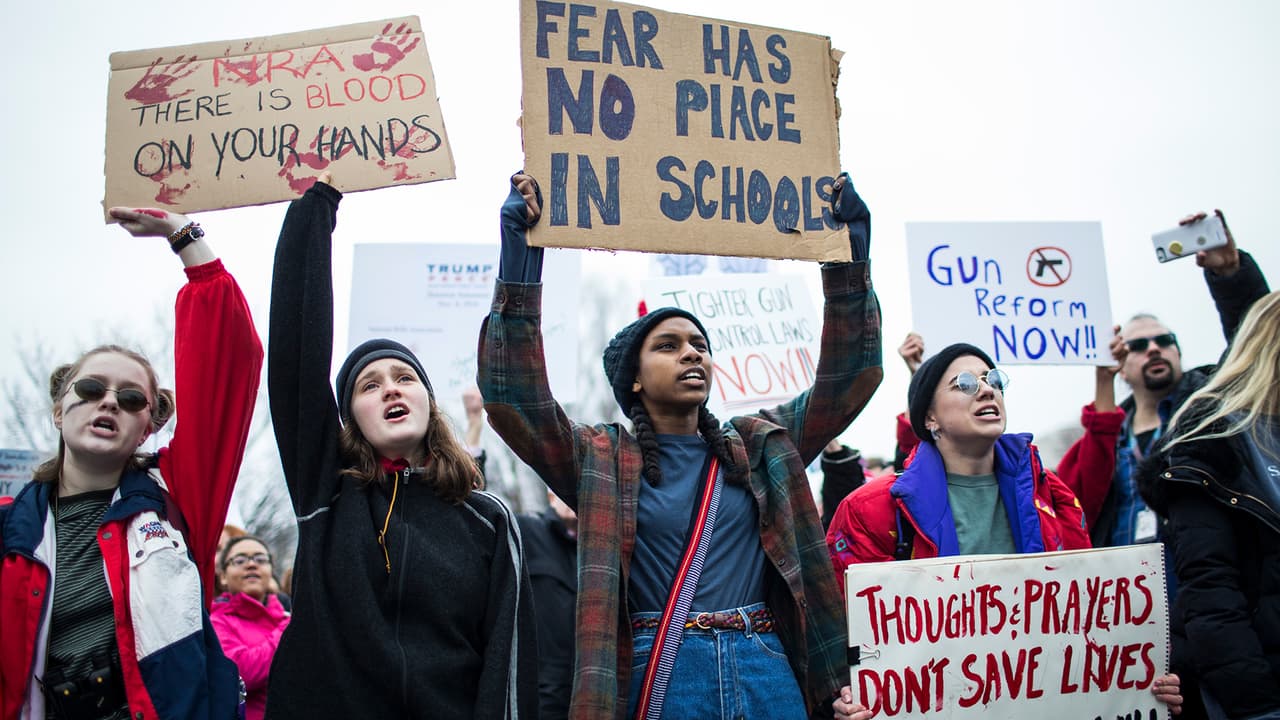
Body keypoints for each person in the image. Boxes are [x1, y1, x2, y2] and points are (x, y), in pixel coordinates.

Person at [479, 171, 883, 720]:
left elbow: (848, 377)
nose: (692, 354)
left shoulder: (760, 446)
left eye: (699, 345)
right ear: (635, 380)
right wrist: (521, 260)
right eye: (668, 346)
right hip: (661, 672)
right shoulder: (599, 461)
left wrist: (846, 258)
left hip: (763, 663)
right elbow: (514, 400)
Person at [264, 172, 537, 720]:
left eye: (404, 377)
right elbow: (296, 349)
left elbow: (508, 663)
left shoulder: (487, 519)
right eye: (369, 384)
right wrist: (316, 207)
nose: (390, 386)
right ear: (350, 419)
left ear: (428, 403)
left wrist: (522, 248)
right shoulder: (326, 496)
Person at [0, 207, 263, 720]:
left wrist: (183, 237)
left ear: (149, 426)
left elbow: (229, 361)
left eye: (131, 399)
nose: (109, 403)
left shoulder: (176, 498)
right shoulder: (10, 528)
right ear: (59, 409)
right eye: (92, 389)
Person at [826, 342, 1183, 713]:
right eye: (963, 383)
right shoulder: (872, 510)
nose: (985, 389)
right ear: (929, 418)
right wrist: (847, 699)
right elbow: (843, 633)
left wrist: (1143, 682)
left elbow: (1090, 618)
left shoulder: (1051, 495)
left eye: (992, 379)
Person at [1138, 290, 1280, 719]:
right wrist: (1256, 704)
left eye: (1162, 339)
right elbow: (1211, 588)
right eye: (1138, 346)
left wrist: (1231, 273)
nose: (1152, 350)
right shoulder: (1211, 441)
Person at [210, 536, 290, 720]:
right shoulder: (217, 622)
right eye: (240, 560)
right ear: (222, 576)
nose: (252, 564)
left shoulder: (288, 617)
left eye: (260, 559)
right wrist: (287, 629)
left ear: (271, 570)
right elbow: (243, 673)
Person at [516, 492, 579, 720]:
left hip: (585, 697)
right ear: (551, 495)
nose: (575, 497)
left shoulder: (602, 555)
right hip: (538, 696)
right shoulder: (527, 532)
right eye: (569, 490)